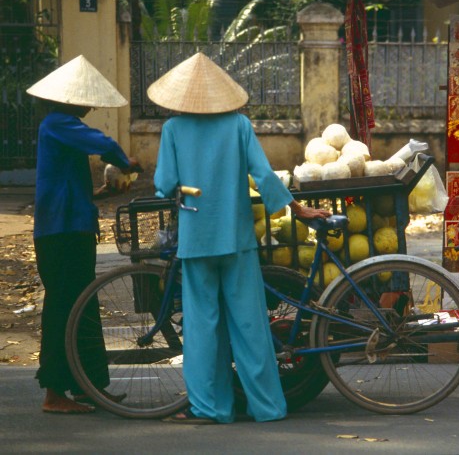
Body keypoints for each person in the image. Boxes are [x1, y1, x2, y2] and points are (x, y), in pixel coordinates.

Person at [149, 52, 330, 425]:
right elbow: (264, 176)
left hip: (197, 239)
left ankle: (210, 408)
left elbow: (165, 184)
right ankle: (268, 407)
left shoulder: (173, 130)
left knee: (202, 327)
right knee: (249, 325)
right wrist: (299, 211)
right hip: (238, 239)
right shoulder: (239, 126)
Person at [27, 55, 141, 414]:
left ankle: (87, 385)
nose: (90, 106)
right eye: (85, 100)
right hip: (61, 232)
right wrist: (126, 162)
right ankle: (55, 391)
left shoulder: (59, 127)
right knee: (65, 306)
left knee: (82, 305)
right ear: (70, 100)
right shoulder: (58, 123)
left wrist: (104, 194)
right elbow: (102, 143)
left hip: (71, 225)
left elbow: (69, 187)